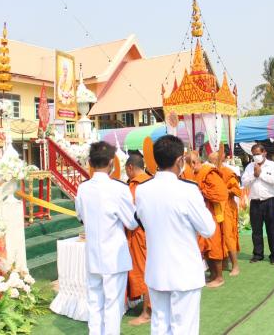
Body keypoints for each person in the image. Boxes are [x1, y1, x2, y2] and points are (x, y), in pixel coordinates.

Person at [135, 135, 215, 335]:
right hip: (184, 270)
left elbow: (142, 221)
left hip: (157, 269)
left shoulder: (142, 190)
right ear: (180, 161)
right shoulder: (188, 190)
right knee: (184, 328)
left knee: (160, 326)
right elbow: (208, 229)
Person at [75, 141, 138, 334]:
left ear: (90, 163)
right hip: (113, 255)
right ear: (112, 162)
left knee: (95, 302)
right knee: (113, 305)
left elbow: (80, 217)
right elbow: (132, 222)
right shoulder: (118, 188)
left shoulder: (83, 188)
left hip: (93, 253)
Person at [188, 151, 229, 288]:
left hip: (211, 213)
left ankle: (219, 277)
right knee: (205, 247)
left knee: (214, 245)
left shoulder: (208, 172)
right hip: (198, 214)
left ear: (195, 162)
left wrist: (202, 192)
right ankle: (212, 274)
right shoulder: (192, 174)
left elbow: (221, 193)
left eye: (188, 164)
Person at [242, 144, 274, 264]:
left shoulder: (273, 165)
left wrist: (261, 174)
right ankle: (258, 254)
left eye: (258, 154)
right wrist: (254, 175)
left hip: (270, 200)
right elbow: (244, 182)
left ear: (264, 153)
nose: (256, 156)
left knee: (272, 229)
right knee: (256, 230)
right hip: (255, 201)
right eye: (254, 154)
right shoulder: (249, 166)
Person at [124, 154, 152, 326]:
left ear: (130, 168)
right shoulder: (152, 181)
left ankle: (147, 311)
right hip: (154, 232)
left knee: (144, 271)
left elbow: (131, 213)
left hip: (140, 233)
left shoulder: (136, 186)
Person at [208, 151, 242, 276]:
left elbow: (236, 190)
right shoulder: (210, 173)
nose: (211, 163)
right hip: (215, 206)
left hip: (227, 206)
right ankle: (223, 263)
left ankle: (235, 265)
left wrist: (223, 190)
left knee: (228, 236)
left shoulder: (227, 172)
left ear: (220, 160)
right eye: (209, 160)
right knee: (217, 236)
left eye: (213, 160)